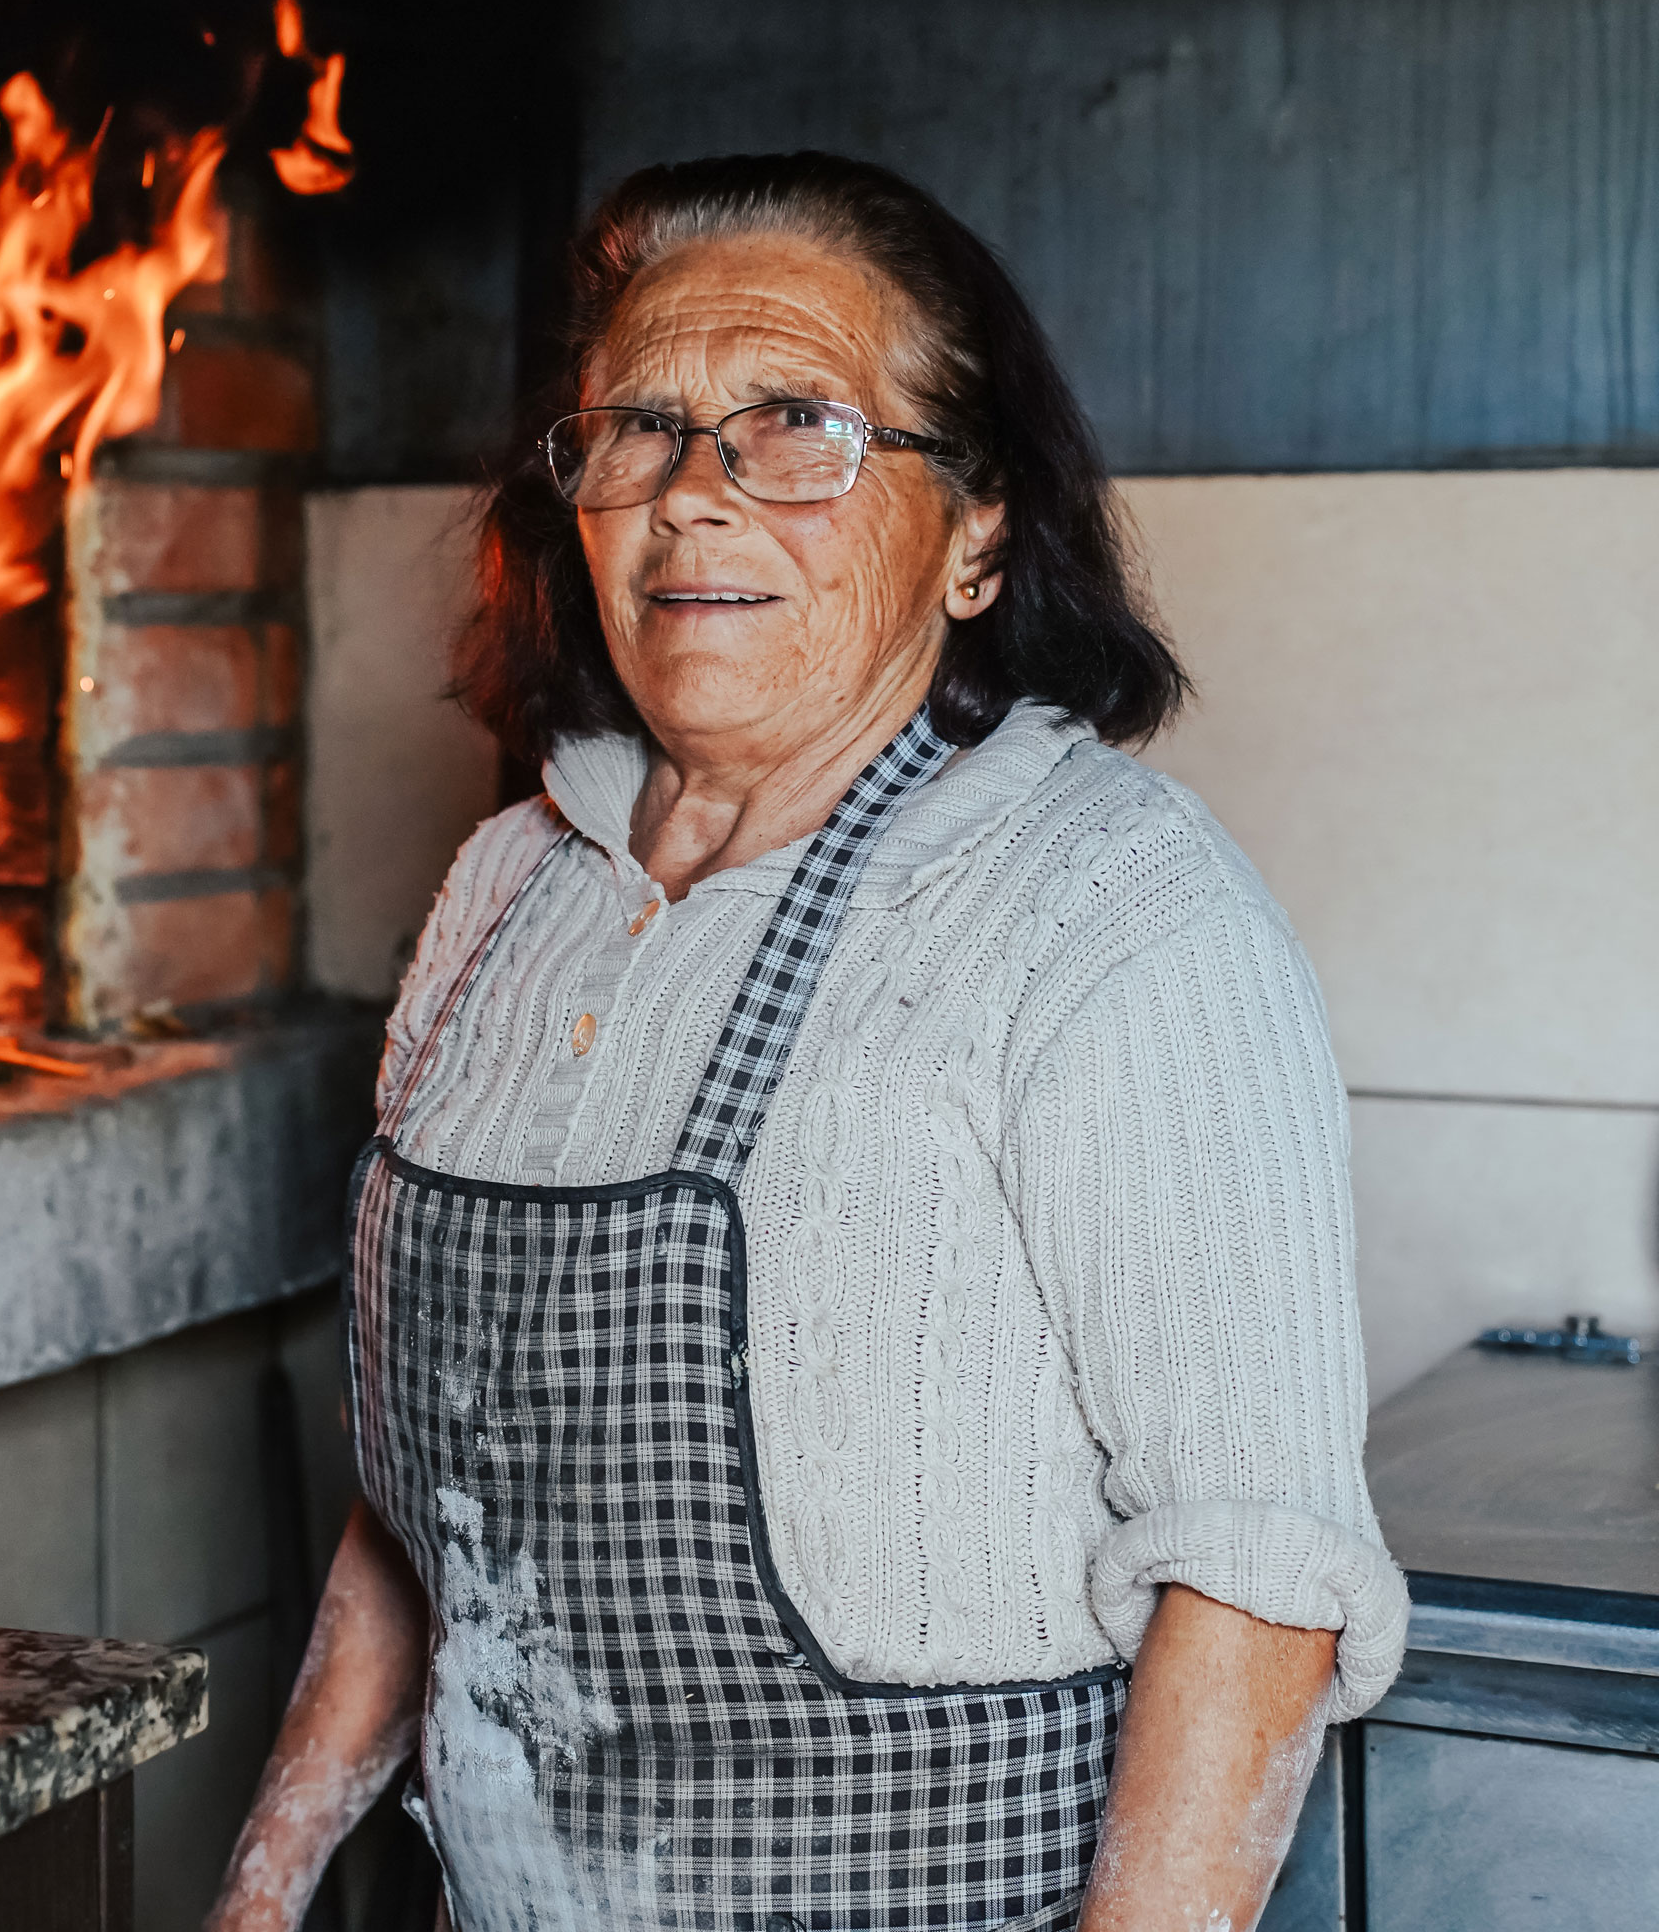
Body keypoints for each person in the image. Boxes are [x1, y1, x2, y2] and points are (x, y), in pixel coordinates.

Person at [208, 151, 1406, 1932]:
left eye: (796, 429)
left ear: (979, 528)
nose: (694, 502)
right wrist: (266, 1880)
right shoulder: (507, 886)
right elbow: (434, 1504)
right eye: (639, 432)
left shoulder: (1110, 909)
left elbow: (1260, 1580)